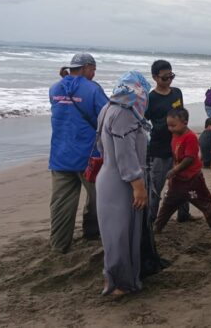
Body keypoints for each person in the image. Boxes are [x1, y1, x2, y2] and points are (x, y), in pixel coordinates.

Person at [96, 71, 151, 295]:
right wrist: (138, 186)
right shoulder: (125, 114)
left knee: (114, 233)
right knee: (122, 234)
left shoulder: (107, 108)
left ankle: (115, 277)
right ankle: (121, 283)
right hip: (123, 182)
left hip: (108, 176)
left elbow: (101, 145)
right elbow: (125, 156)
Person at [48, 53, 108, 253]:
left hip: (59, 155)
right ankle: (92, 233)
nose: (94, 74)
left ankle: (59, 245)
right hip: (89, 156)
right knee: (97, 198)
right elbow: (107, 117)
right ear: (85, 68)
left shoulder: (55, 88)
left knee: (61, 204)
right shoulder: (93, 89)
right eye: (93, 70)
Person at [154, 108, 211, 234]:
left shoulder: (190, 137)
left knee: (206, 203)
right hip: (178, 181)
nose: (171, 128)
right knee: (167, 205)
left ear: (185, 123)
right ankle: (157, 228)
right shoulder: (175, 135)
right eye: (169, 125)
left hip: (193, 180)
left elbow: (189, 159)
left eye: (174, 125)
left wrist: (174, 170)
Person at [145, 60, 191, 227]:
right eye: (165, 78)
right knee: (156, 187)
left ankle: (184, 215)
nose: (169, 80)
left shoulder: (177, 93)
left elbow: (182, 115)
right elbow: (143, 121)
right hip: (159, 148)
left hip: (179, 145)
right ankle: (151, 221)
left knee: (183, 181)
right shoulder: (150, 98)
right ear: (155, 77)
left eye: (171, 76)